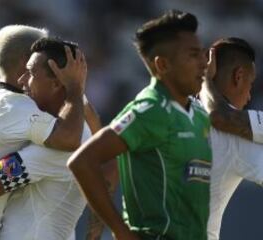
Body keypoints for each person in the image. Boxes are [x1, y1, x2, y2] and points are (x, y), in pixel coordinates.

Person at [67, 10, 211, 240]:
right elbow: (82, 161)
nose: (204, 63)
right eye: (193, 55)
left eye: (202, 54)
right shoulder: (150, 111)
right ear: (162, 64)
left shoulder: (199, 115)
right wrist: (120, 231)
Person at [0, 38, 113, 240]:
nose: (21, 80)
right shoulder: (50, 131)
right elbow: (108, 163)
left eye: (31, 73)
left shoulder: (57, 148)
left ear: (56, 83)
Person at [199, 38, 262, 240]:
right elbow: (221, 117)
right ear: (238, 76)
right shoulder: (238, 140)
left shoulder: (168, 108)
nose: (250, 96)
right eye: (250, 85)